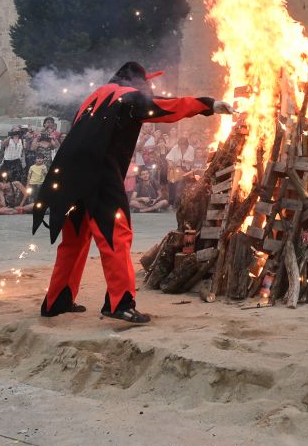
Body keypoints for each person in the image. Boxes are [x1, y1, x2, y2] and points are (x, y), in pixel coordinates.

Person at [35, 62, 230, 325]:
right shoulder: (129, 97)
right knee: (116, 236)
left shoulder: (93, 98)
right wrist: (208, 104)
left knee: (74, 240)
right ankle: (120, 304)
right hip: (100, 174)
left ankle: (56, 301)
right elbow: (166, 107)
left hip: (68, 177)